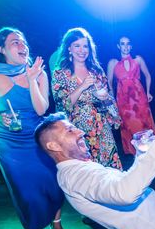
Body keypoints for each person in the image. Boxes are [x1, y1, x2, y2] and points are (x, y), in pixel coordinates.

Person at [0, 27, 68, 229]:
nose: (22, 46)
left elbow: (40, 109)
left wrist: (32, 79)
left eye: (23, 42)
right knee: (25, 189)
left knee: (51, 182)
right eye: (15, 42)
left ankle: (57, 226)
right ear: (1, 49)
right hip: (8, 142)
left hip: (37, 137)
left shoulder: (39, 73)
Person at [52, 27, 122, 169]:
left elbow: (109, 99)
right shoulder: (60, 73)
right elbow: (62, 105)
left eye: (85, 46)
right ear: (69, 48)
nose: (82, 50)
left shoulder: (96, 70)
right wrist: (82, 86)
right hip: (77, 131)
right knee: (87, 172)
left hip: (102, 128)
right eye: (77, 45)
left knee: (110, 170)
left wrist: (104, 97)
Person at [106, 36, 155, 155]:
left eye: (128, 44)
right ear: (118, 46)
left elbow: (148, 75)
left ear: (131, 46)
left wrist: (149, 92)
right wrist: (112, 99)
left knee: (144, 123)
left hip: (139, 97)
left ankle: (149, 152)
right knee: (130, 126)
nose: (125, 46)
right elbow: (109, 82)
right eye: (122, 44)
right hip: (123, 99)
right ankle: (136, 154)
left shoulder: (138, 59)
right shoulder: (113, 62)